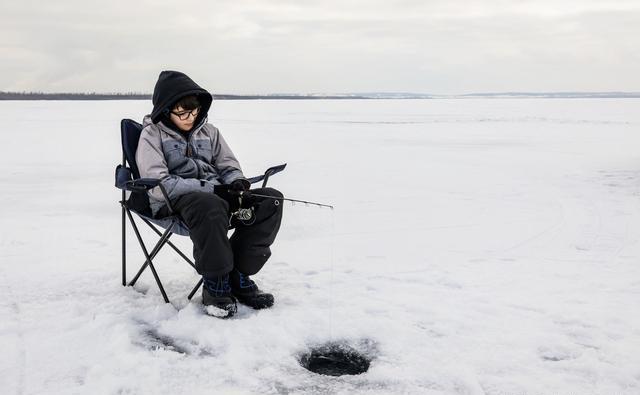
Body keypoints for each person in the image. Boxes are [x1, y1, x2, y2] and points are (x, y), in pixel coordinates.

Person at [136, 70, 283, 318]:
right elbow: (157, 182)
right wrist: (213, 189)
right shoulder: (152, 135)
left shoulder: (210, 132)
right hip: (174, 201)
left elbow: (227, 164)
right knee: (210, 205)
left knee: (271, 200)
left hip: (218, 196)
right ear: (165, 109)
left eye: (194, 111)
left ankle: (237, 274)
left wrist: (236, 183)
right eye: (182, 112)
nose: (190, 117)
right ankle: (215, 286)